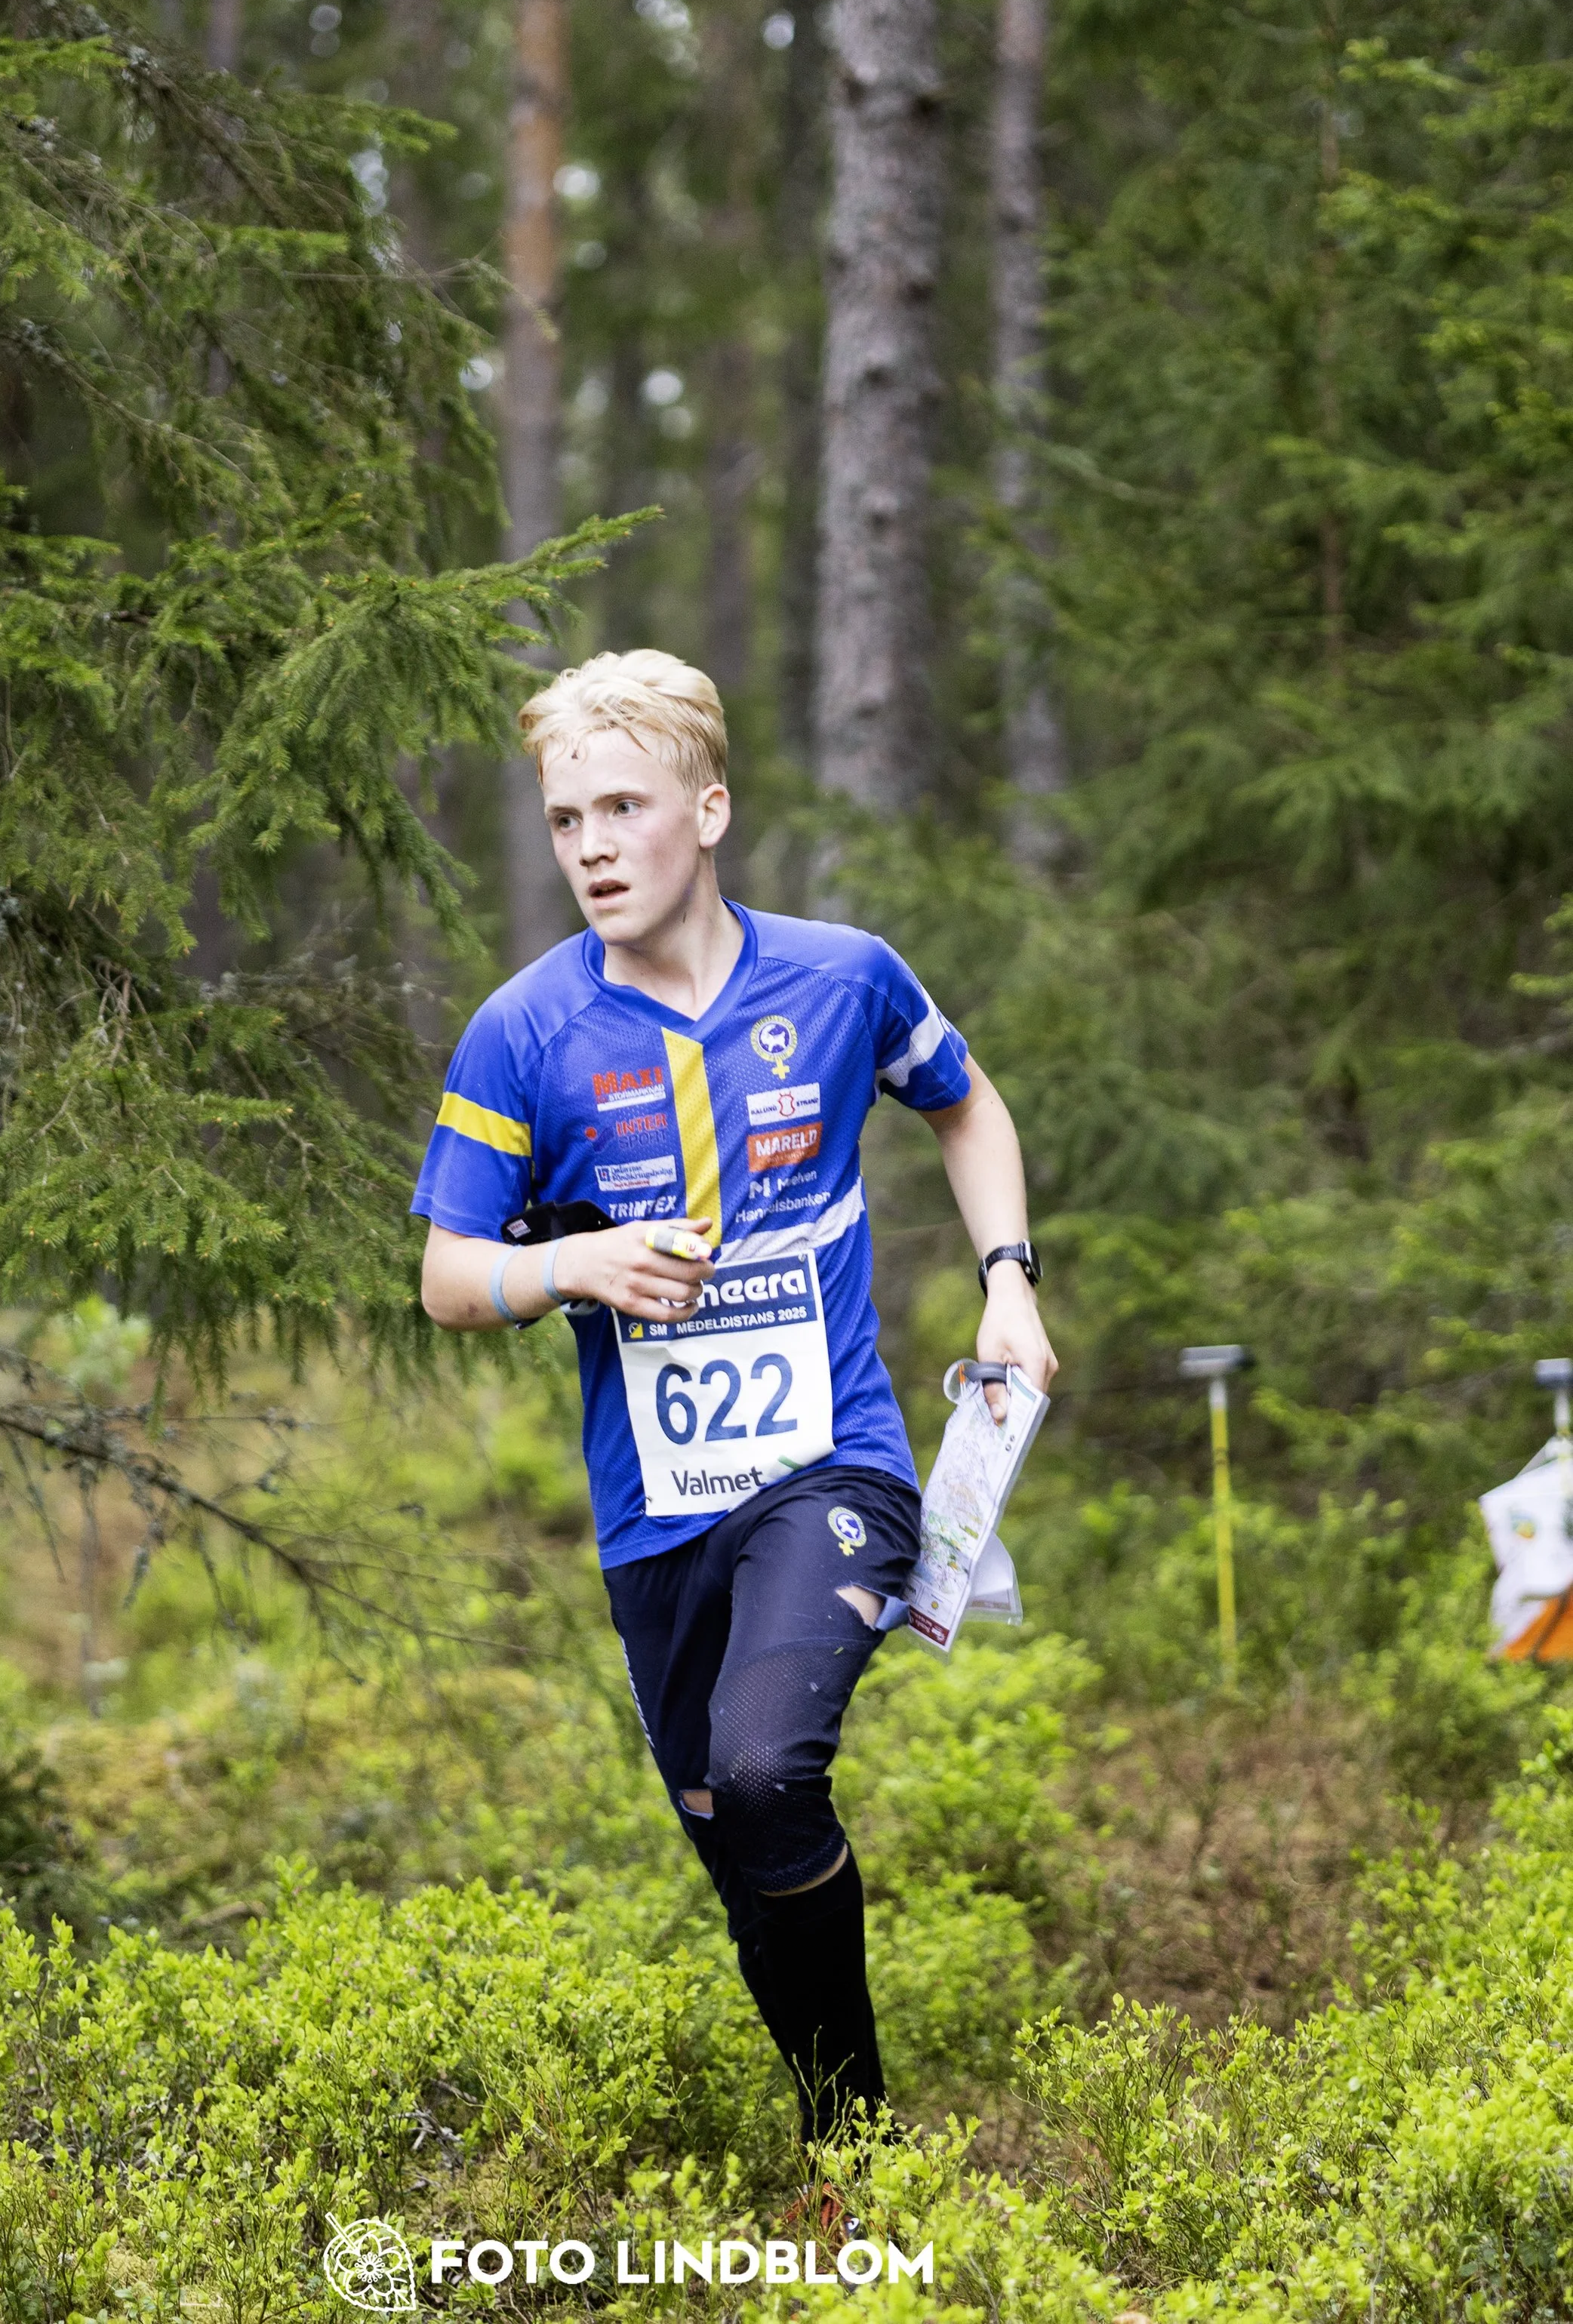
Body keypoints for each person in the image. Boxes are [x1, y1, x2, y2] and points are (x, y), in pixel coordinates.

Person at [412, 649, 1056, 2147]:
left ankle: (862, 2157)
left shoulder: (839, 976)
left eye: (620, 807)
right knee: (731, 1832)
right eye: (564, 815)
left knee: (770, 1767)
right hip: (653, 1518)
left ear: (704, 810)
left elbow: (962, 1100)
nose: (588, 845)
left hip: (831, 1463)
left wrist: (1007, 1277)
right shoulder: (524, 1030)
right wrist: (574, 1263)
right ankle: (839, 2130)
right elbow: (446, 1278)